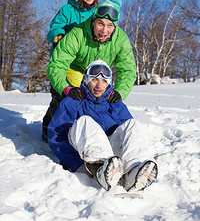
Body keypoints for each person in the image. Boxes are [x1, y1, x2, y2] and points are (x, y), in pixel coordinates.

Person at [48, 60, 158, 191]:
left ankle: (133, 170)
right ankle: (100, 168)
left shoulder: (115, 104)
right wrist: (76, 165)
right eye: (94, 79)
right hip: (83, 153)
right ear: (86, 79)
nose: (99, 85)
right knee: (85, 121)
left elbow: (129, 136)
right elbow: (56, 137)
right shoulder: (73, 101)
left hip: (112, 157)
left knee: (133, 124)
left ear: (109, 83)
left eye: (104, 81)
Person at [47, 0, 136, 112]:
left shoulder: (121, 39)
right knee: (66, 103)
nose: (104, 31)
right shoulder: (77, 34)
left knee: (108, 105)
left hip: (99, 75)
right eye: (100, 24)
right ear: (93, 22)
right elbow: (57, 64)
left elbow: (127, 70)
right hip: (74, 72)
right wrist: (66, 88)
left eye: (109, 25)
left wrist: (120, 92)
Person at [42, 0, 100, 142]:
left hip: (84, 65)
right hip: (64, 62)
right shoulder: (67, 10)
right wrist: (58, 35)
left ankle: (77, 133)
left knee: (82, 100)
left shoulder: (97, 13)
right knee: (61, 98)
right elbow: (55, 26)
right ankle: (48, 131)